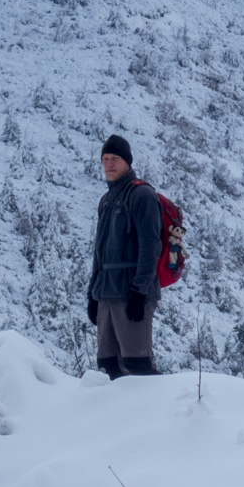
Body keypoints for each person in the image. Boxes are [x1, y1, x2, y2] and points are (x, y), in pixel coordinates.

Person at [87, 134, 162, 378]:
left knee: (138, 366)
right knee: (107, 369)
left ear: (127, 162)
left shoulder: (142, 196)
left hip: (131, 295)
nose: (109, 164)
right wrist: (92, 294)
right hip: (106, 295)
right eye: (105, 159)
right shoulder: (106, 200)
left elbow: (150, 247)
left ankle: (158, 414)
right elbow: (99, 251)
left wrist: (139, 292)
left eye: (115, 159)